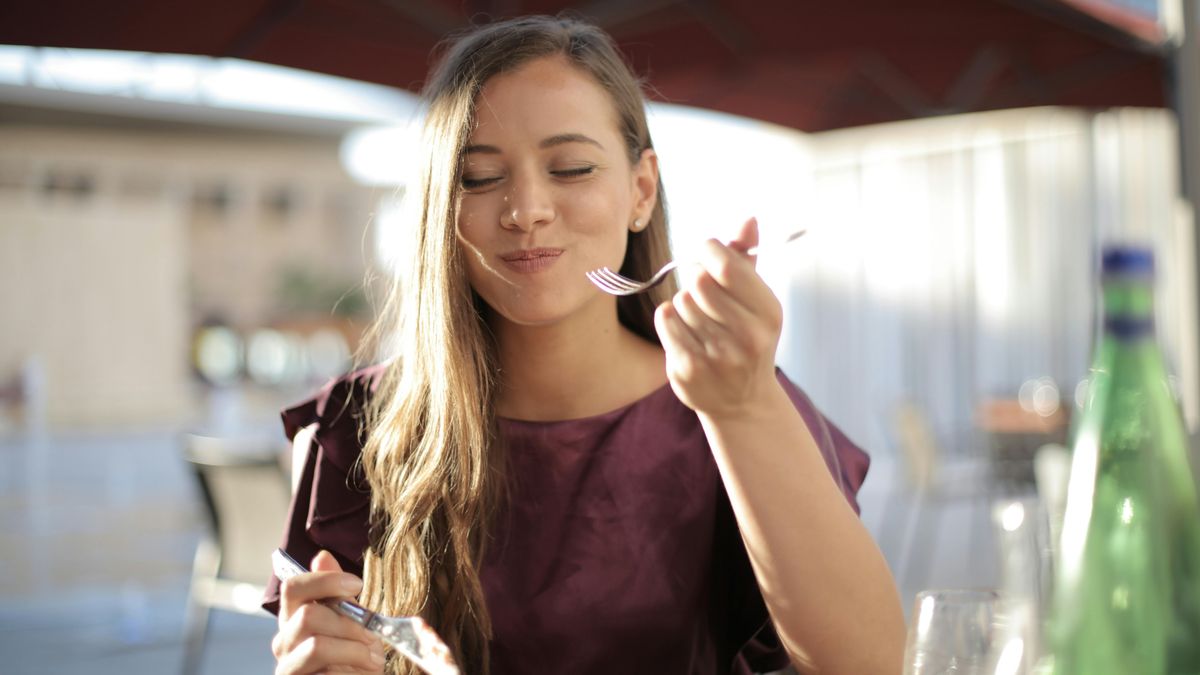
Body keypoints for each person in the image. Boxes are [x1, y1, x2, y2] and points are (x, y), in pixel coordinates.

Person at [264, 14, 905, 675]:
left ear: (641, 191)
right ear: (439, 210)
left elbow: (868, 663)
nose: (526, 208)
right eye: (480, 177)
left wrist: (743, 408)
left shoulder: (734, 407)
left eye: (570, 168)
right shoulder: (356, 427)